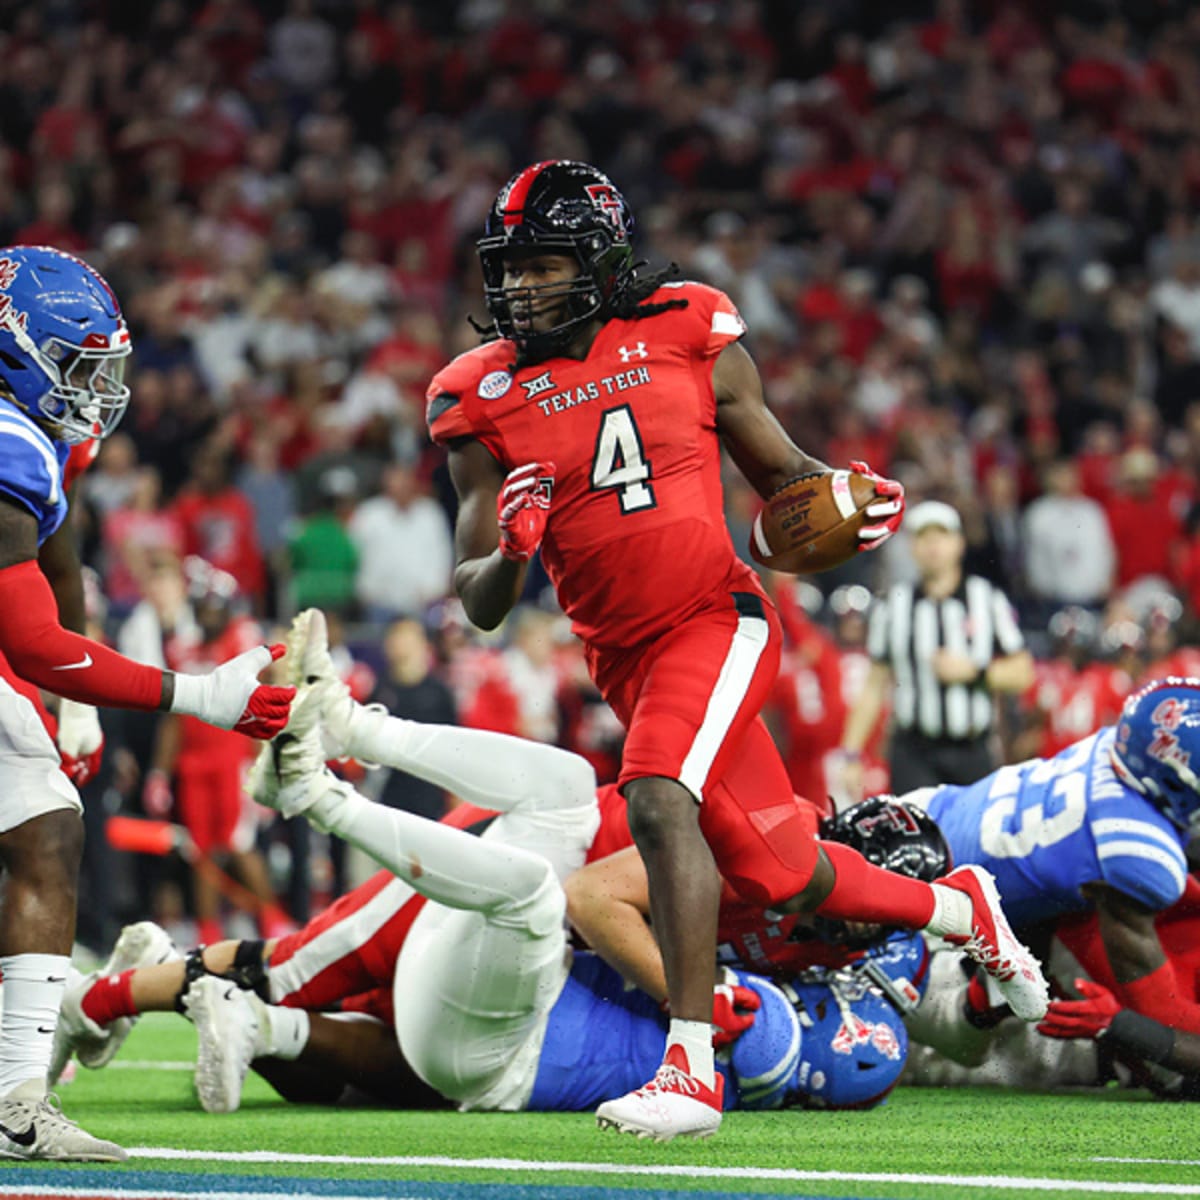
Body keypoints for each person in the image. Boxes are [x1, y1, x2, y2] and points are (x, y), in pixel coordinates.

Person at [424, 161, 1043, 1139]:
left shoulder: (688, 328)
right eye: (513, 266)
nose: (521, 286)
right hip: (625, 659)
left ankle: (690, 1065)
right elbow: (479, 603)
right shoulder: (479, 395)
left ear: (600, 260)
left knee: (660, 797)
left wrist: (846, 503)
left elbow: (786, 484)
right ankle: (961, 910)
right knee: (778, 868)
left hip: (718, 619)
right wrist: (509, 547)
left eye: (545, 264)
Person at [55, 612, 936, 1120]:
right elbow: (602, 898)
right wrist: (689, 1005)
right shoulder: (778, 851)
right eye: (863, 900)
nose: (859, 925)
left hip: (537, 939)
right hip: (526, 854)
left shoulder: (833, 940)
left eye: (873, 917)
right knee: (302, 966)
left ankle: (343, 739)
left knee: (383, 1027)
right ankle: (97, 1001)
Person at [0, 245, 293, 1162]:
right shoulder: (8, 443)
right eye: (79, 366)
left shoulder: (34, 439)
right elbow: (36, 645)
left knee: (47, 822)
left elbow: (58, 551)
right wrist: (201, 694)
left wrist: (78, 709)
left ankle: (14, 1103)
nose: (98, 390)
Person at [899, 677, 1200, 1040]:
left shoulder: (1119, 748)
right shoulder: (1132, 849)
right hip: (925, 907)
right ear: (1171, 780)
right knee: (951, 1043)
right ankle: (976, 1005)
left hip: (925, 813)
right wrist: (1122, 1028)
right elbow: (1160, 1018)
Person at [840, 500, 1034, 799]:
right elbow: (874, 686)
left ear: (958, 543)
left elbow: (1023, 672)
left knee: (971, 841)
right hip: (913, 750)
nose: (933, 546)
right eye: (922, 537)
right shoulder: (893, 606)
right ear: (911, 547)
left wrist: (973, 672)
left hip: (973, 748)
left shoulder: (987, 599)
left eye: (940, 535)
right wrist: (851, 754)